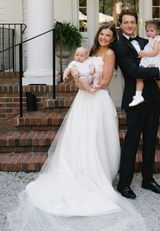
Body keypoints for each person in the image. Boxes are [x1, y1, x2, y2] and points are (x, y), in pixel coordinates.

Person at [7, 23, 146, 231]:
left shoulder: (109, 53)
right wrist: (76, 77)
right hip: (83, 99)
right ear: (97, 35)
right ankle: (78, 171)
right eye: (102, 34)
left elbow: (106, 80)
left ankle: (97, 174)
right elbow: (77, 69)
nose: (105, 38)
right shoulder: (89, 52)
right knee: (80, 134)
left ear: (112, 39)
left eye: (108, 35)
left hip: (98, 98)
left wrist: (89, 85)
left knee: (97, 136)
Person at [113, 8, 160, 200]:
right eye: (125, 22)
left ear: (136, 23)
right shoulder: (119, 46)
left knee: (151, 138)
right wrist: (159, 72)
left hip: (153, 97)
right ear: (120, 25)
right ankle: (124, 184)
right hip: (134, 99)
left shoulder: (148, 41)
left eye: (132, 22)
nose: (129, 25)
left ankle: (148, 179)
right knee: (132, 140)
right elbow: (133, 72)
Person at [129, 19, 160, 107]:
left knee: (139, 76)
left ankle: (138, 95)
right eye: (147, 31)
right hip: (155, 61)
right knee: (156, 78)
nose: (149, 33)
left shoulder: (156, 40)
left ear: (158, 31)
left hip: (153, 62)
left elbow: (155, 52)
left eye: (152, 31)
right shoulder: (154, 39)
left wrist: (143, 53)